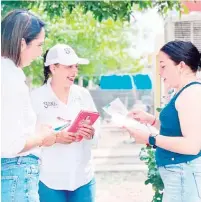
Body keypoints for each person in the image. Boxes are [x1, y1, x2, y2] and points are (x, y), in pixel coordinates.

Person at [125, 41, 201, 202]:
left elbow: (192, 146)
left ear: (181, 66)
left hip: (183, 174)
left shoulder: (191, 94)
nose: (159, 72)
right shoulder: (184, 92)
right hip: (180, 175)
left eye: (163, 66)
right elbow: (178, 127)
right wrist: (151, 120)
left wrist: (150, 138)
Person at [30, 44, 100, 202]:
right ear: (53, 68)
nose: (74, 71)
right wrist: (56, 137)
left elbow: (97, 132)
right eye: (69, 66)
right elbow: (28, 138)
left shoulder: (83, 95)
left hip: (83, 178)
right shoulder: (36, 98)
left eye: (76, 66)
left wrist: (91, 133)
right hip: (49, 180)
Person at [1, 9, 58, 202]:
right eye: (39, 45)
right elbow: (11, 144)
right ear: (22, 43)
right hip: (16, 172)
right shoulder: (9, 78)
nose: (41, 52)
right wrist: (42, 137)